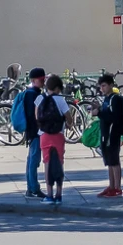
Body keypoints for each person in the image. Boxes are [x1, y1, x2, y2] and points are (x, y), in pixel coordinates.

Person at [95, 72, 123, 197]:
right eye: (101, 86)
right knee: (109, 161)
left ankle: (117, 187)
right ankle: (111, 186)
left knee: (114, 161)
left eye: (104, 85)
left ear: (111, 85)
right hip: (106, 134)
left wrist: (99, 113)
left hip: (113, 134)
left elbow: (115, 118)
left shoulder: (115, 99)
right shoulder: (107, 99)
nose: (102, 88)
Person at [36, 74, 72, 205]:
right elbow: (69, 118)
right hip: (59, 135)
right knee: (59, 162)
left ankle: (49, 194)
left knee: (47, 163)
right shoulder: (61, 100)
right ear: (58, 88)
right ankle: (59, 194)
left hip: (44, 135)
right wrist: (68, 124)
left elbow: (37, 117)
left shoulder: (40, 98)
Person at [20, 67, 48, 199]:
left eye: (43, 79)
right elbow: (34, 115)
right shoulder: (33, 94)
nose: (43, 82)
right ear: (33, 80)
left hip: (31, 131)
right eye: (41, 80)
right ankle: (33, 188)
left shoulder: (30, 92)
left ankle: (30, 188)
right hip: (35, 131)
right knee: (34, 160)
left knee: (31, 159)